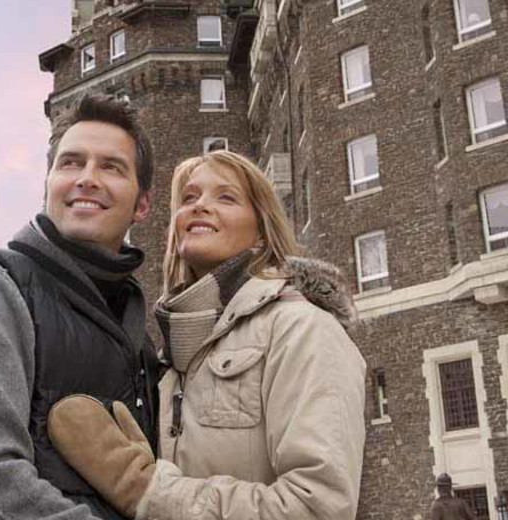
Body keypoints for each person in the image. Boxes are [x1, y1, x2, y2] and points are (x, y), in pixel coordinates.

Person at [49, 150, 367, 520]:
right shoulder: (170, 355)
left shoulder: (303, 328)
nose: (200, 205)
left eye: (226, 197)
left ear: (262, 230)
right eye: (189, 197)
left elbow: (317, 506)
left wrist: (146, 490)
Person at [0, 94, 160, 520]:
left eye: (110, 167)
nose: (86, 179)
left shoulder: (136, 335)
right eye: (71, 163)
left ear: (142, 205)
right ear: (48, 185)